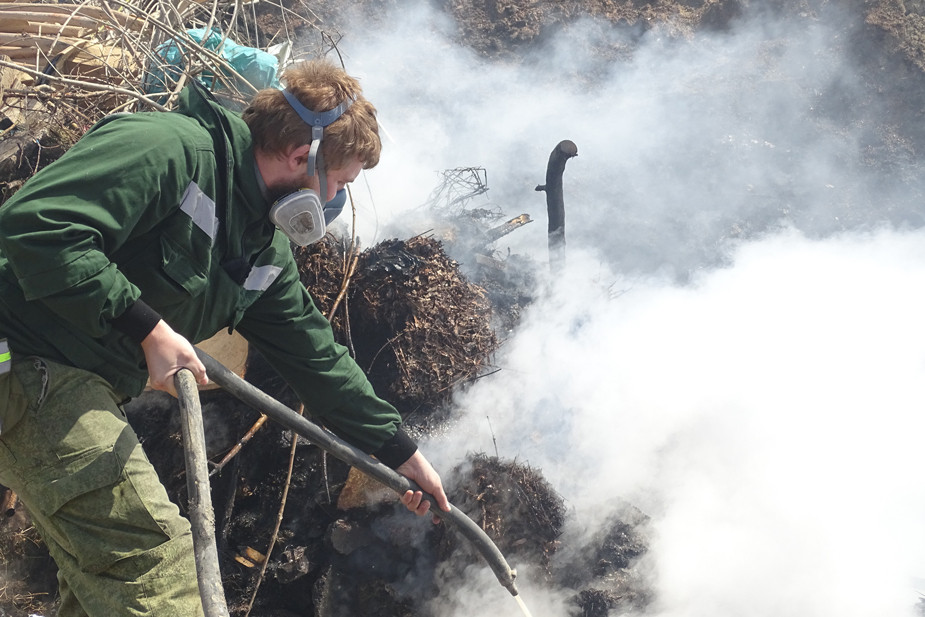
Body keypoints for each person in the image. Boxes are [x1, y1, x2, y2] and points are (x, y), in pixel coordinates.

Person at [0, 59, 451, 616]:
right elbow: (37, 227)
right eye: (340, 182)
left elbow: (315, 354)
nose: (335, 202)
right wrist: (149, 328)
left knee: (98, 587)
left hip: (61, 381)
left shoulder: (261, 244)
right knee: (153, 565)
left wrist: (400, 452)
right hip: (21, 359)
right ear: (298, 156)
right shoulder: (168, 148)